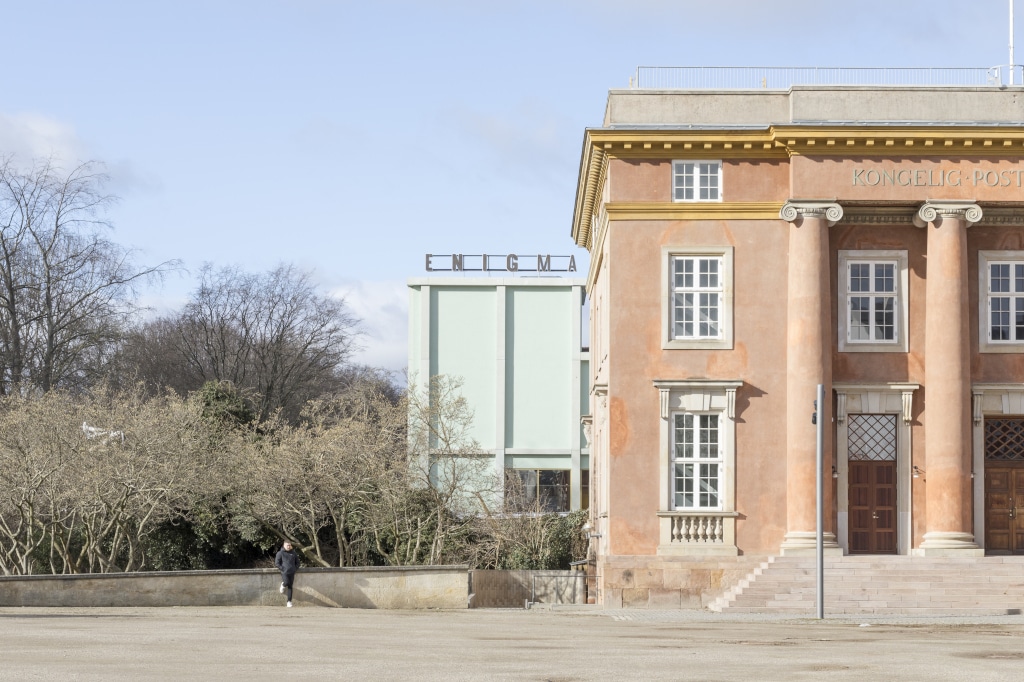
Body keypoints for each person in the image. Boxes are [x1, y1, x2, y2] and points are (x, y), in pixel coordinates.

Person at [274, 541, 299, 607]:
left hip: (292, 572)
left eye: (289, 545)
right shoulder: (280, 553)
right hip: (284, 572)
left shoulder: (293, 553)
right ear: (284, 545)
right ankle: (283, 585)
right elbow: (277, 563)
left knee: (290, 586)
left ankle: (289, 601)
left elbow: (298, 562)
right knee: (286, 582)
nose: (289, 546)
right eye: (287, 545)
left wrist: (295, 569)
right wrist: (283, 569)